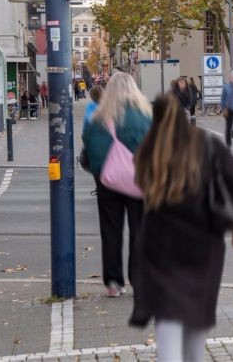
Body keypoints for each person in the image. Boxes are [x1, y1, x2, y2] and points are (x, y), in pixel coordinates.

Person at [130, 94, 233, 362]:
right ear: (184, 116)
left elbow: (140, 189)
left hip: (159, 243)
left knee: (168, 315)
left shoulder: (148, 150)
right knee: (196, 317)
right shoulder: (206, 143)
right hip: (204, 243)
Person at [82, 72, 152, 297]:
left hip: (109, 181)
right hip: (140, 180)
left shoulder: (101, 116)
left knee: (110, 230)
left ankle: (113, 281)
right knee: (140, 230)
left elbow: (89, 147)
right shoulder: (145, 115)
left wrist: (100, 172)